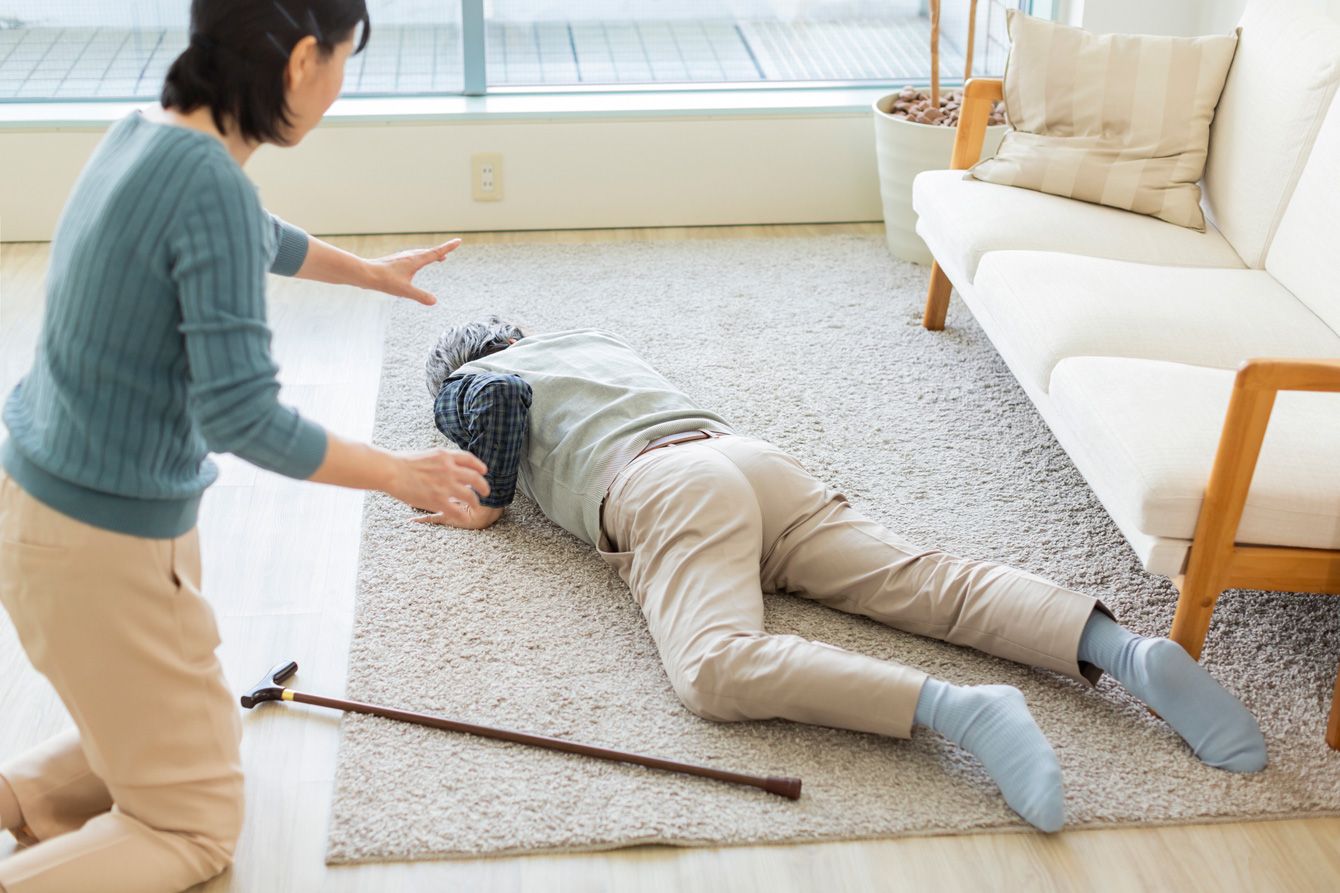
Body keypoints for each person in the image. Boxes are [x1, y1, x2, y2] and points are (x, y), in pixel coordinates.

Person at [420, 318, 1268, 832]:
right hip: (750, 462)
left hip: (667, 487)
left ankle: (959, 710)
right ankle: (1124, 651)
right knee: (920, 578)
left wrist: (490, 500)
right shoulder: (595, 343)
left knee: (714, 666)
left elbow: (496, 403)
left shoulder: (469, 381)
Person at [0, 3, 491, 891]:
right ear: (302, 61)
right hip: (101, 545)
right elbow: (245, 416)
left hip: (44, 511)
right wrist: (399, 472)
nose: (339, 87)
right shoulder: (210, 187)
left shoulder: (145, 136)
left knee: (207, 735)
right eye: (343, 62)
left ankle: (17, 799)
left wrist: (370, 271)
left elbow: (253, 237)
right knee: (195, 828)